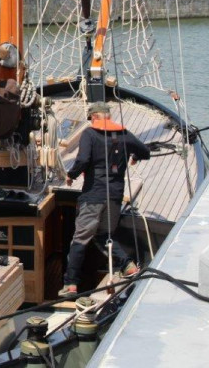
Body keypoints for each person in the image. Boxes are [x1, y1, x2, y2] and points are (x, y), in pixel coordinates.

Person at [59, 102, 151, 298]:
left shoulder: (90, 134)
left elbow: (83, 160)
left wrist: (71, 175)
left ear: (94, 117)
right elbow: (145, 151)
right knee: (104, 236)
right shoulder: (124, 134)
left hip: (93, 195)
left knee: (80, 240)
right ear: (108, 116)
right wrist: (134, 156)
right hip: (115, 196)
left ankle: (70, 284)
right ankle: (128, 266)